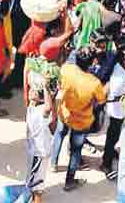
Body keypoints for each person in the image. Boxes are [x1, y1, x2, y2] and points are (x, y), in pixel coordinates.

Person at [51, 47, 107, 191]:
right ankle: (69, 181)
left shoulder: (66, 69)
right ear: (91, 63)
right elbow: (101, 102)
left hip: (65, 113)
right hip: (82, 121)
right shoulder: (94, 82)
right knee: (76, 152)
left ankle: (53, 163)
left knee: (59, 135)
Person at [26, 84, 53, 200]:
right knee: (32, 180)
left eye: (34, 91)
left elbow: (48, 107)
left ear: (41, 97)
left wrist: (46, 88)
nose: (30, 92)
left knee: (37, 185)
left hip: (40, 153)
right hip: (35, 152)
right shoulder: (31, 107)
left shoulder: (43, 111)